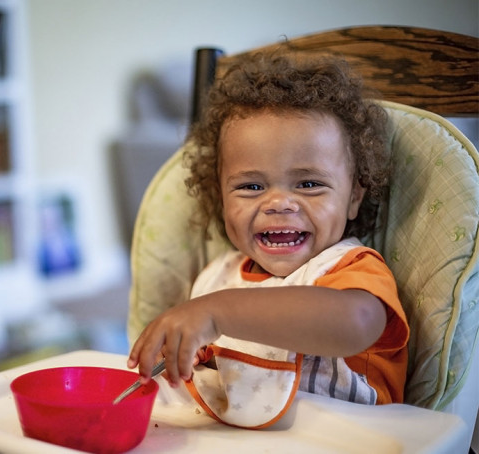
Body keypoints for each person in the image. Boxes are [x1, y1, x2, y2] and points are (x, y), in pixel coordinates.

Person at [127, 54, 409, 426]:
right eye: (251, 186)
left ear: (354, 196)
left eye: (309, 184)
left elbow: (355, 324)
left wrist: (218, 313)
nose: (278, 202)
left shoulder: (351, 269)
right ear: (220, 195)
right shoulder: (218, 277)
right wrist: (188, 354)